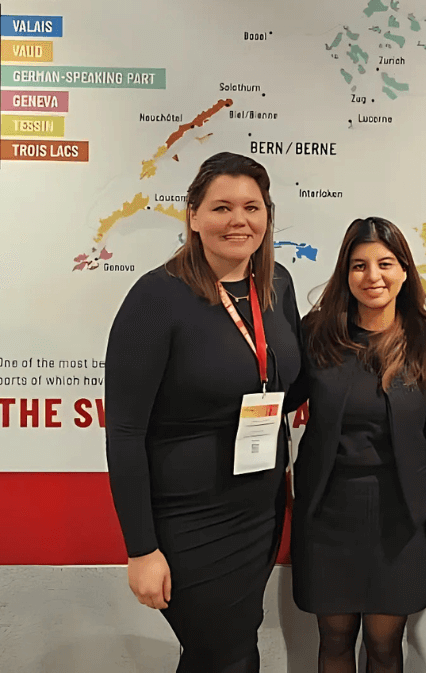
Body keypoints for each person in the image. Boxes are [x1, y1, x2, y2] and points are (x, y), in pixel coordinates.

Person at [104, 152, 302, 673]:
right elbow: (124, 432)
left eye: (251, 207)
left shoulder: (276, 284)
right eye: (221, 207)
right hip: (189, 518)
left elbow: (284, 388)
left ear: (267, 215)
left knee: (226, 649)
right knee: (228, 653)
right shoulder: (156, 298)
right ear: (193, 215)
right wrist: (141, 549)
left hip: (259, 509)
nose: (239, 221)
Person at [285, 217, 426, 673]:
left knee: (384, 645)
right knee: (333, 639)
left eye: (385, 263)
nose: (372, 276)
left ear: (404, 272)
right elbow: (275, 394)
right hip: (328, 514)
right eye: (359, 265)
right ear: (345, 273)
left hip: (401, 518)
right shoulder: (316, 333)